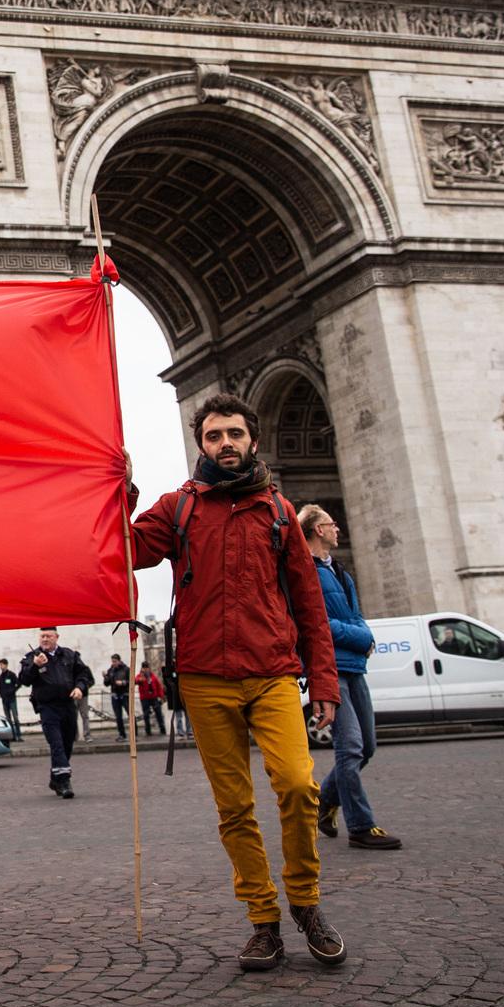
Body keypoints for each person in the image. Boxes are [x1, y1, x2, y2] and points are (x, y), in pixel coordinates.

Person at [128, 395, 346, 972]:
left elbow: (308, 604)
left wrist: (324, 680)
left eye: (235, 434)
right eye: (214, 435)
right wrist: (118, 491)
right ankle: (264, 921)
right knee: (235, 808)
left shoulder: (278, 511)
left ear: (252, 441)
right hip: (204, 679)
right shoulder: (177, 508)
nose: (225, 443)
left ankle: (306, 902)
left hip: (273, 673)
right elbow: (124, 550)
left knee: (299, 786)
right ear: (200, 444)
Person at [299, 505, 403, 852]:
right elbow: (316, 623)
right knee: (351, 747)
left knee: (367, 747)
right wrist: (362, 638)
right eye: (331, 524)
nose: (338, 529)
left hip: (355, 666)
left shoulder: (340, 571)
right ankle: (361, 825)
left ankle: (324, 802)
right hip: (331, 668)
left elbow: (355, 614)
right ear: (317, 530)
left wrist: (366, 634)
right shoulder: (306, 572)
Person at [18, 627, 92, 798]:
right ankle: (65, 781)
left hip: (67, 705)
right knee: (56, 743)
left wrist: (80, 688)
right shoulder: (32, 657)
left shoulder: (69, 655)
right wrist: (35, 666)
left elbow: (84, 675)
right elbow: (24, 679)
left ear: (56, 637)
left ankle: (55, 778)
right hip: (47, 707)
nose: (45, 639)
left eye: (48, 636)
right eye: (42, 636)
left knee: (67, 744)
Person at [103, 653, 132, 740]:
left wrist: (123, 682)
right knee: (118, 716)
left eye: (115, 661)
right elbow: (107, 684)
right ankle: (121, 734)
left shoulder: (126, 669)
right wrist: (105, 677)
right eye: (112, 661)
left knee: (130, 714)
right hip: (115, 695)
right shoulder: (111, 670)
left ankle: (134, 733)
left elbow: (131, 681)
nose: (113, 663)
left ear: (119, 661)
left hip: (125, 694)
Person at [0, 658, 23, 741]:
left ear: (6, 665)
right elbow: (0, 687)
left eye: (2, 664)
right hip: (5, 700)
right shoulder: (1, 676)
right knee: (8, 719)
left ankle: (19, 735)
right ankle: (13, 735)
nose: (1, 666)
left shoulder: (11, 674)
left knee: (15, 718)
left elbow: (19, 683)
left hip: (12, 699)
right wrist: (1, 695)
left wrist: (13, 691)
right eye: (0, 665)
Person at [136, 665, 166, 737]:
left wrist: (161, 696)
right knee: (146, 715)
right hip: (145, 698)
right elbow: (135, 681)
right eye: (144, 668)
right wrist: (141, 678)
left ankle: (162, 729)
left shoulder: (153, 676)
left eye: (147, 668)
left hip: (154, 697)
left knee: (158, 713)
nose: (145, 669)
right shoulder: (140, 676)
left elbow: (158, 686)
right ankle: (148, 731)